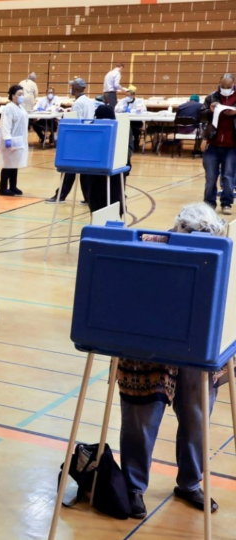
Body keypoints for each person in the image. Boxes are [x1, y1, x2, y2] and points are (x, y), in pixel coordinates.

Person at [118, 202, 227, 520]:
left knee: (197, 419)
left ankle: (190, 483)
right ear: (178, 231)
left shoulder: (221, 252)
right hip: (148, 350)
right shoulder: (150, 248)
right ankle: (133, 486)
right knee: (140, 421)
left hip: (198, 350)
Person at [46, 78, 95, 204]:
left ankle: (60, 195)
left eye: (72, 87)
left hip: (78, 139)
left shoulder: (78, 103)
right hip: (88, 139)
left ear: (77, 88)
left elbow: (76, 123)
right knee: (85, 172)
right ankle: (89, 197)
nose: (71, 89)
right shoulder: (89, 101)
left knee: (69, 170)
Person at [84, 105, 129, 217]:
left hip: (98, 176)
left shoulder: (91, 129)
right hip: (110, 176)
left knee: (99, 209)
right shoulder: (120, 129)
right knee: (109, 207)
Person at [202, 74, 236, 215]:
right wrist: (209, 111)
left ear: (233, 84)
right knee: (210, 177)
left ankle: (226, 203)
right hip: (213, 144)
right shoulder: (211, 97)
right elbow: (200, 115)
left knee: (228, 176)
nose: (225, 89)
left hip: (232, 145)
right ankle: (209, 204)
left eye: (228, 87)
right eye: (223, 87)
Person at [0, 84, 29, 197]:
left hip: (19, 139)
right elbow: (5, 124)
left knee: (15, 163)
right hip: (10, 139)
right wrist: (7, 138)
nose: (21, 96)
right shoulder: (9, 108)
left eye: (22, 94)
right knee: (8, 164)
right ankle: (3, 188)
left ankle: (13, 186)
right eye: (19, 94)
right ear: (12, 96)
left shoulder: (20, 107)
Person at [117, 86, 147, 150]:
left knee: (135, 128)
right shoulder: (123, 101)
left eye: (129, 95)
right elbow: (116, 109)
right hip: (126, 120)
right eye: (127, 95)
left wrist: (131, 110)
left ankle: (135, 144)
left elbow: (143, 110)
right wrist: (123, 108)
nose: (128, 97)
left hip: (136, 121)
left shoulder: (139, 101)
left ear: (133, 94)